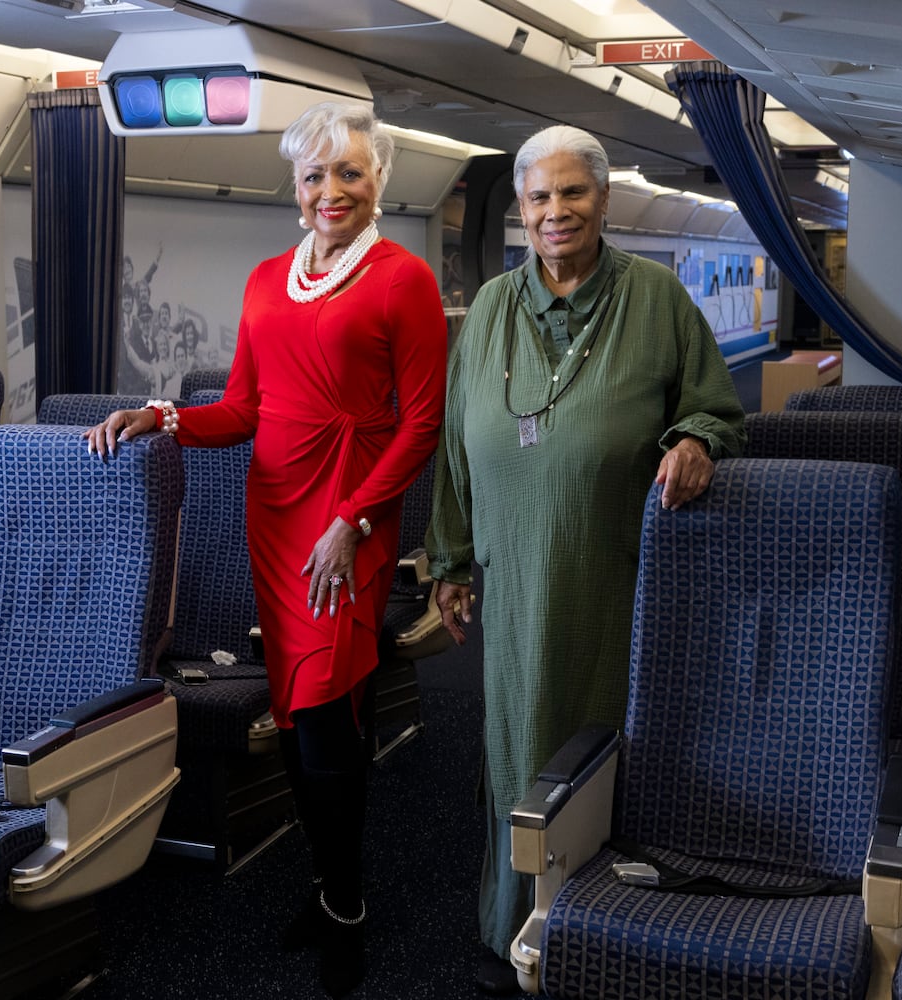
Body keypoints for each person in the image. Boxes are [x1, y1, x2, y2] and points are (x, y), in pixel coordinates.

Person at [85, 101, 446, 998]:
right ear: (295, 186)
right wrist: (161, 417)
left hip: (347, 516)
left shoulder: (402, 280)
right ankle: (328, 884)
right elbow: (243, 409)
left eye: (350, 173)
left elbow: (420, 424)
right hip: (278, 514)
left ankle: (346, 905)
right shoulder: (264, 280)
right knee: (294, 711)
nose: (332, 190)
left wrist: (353, 520)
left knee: (323, 708)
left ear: (377, 182)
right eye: (315, 175)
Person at [424, 124, 746, 995]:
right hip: (511, 574)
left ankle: (600, 933)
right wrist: (448, 560)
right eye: (539, 196)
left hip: (614, 574)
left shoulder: (656, 298)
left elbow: (714, 407)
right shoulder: (491, 307)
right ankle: (514, 922)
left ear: (603, 199)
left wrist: (693, 439)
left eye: (572, 192)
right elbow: (457, 442)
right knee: (515, 743)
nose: (555, 211)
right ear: (521, 208)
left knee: (604, 744)